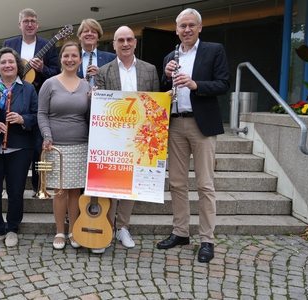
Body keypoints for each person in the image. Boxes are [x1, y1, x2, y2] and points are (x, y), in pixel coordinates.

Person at [157, 8, 230, 263]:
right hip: (175, 124)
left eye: (191, 25)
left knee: (204, 185)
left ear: (200, 27)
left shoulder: (214, 50)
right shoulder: (171, 55)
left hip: (203, 125)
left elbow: (223, 84)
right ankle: (181, 232)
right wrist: (166, 78)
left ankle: (207, 239)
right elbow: (164, 89)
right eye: (182, 26)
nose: (186, 29)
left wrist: (195, 84)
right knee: (177, 183)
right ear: (176, 30)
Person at [94, 25, 160, 254]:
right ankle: (107, 227)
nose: (125, 44)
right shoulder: (103, 71)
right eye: (120, 40)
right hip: (112, 136)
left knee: (132, 185)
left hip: (139, 137)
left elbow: (154, 106)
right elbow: (99, 106)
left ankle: (123, 227)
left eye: (129, 39)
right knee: (111, 184)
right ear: (113, 45)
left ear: (135, 42)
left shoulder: (150, 70)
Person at [0, 8, 60, 198]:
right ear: (20, 24)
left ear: (37, 24)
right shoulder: (10, 44)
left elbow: (56, 73)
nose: (30, 24)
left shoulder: (46, 45)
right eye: (26, 21)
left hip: (37, 98)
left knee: (36, 144)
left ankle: (37, 186)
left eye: (33, 21)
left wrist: (42, 68)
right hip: (8, 103)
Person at [0, 47, 38, 248]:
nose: (7, 65)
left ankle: (12, 228)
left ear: (17, 65)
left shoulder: (28, 88)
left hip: (19, 149)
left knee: (15, 191)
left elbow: (37, 116)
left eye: (11, 62)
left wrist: (22, 119)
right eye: (3, 62)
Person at [37, 42, 91, 250]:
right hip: (55, 145)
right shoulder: (49, 84)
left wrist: (93, 100)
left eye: (74, 56)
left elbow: (89, 116)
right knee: (59, 192)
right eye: (66, 56)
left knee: (76, 192)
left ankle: (73, 231)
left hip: (80, 144)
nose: (70, 59)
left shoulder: (86, 86)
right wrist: (47, 135)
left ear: (79, 59)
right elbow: (42, 113)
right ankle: (60, 231)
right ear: (61, 59)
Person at [76, 18, 116, 85]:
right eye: (86, 31)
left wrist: (101, 73)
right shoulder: (72, 58)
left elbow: (117, 82)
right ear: (80, 36)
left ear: (98, 37)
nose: (89, 34)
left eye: (93, 32)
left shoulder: (111, 58)